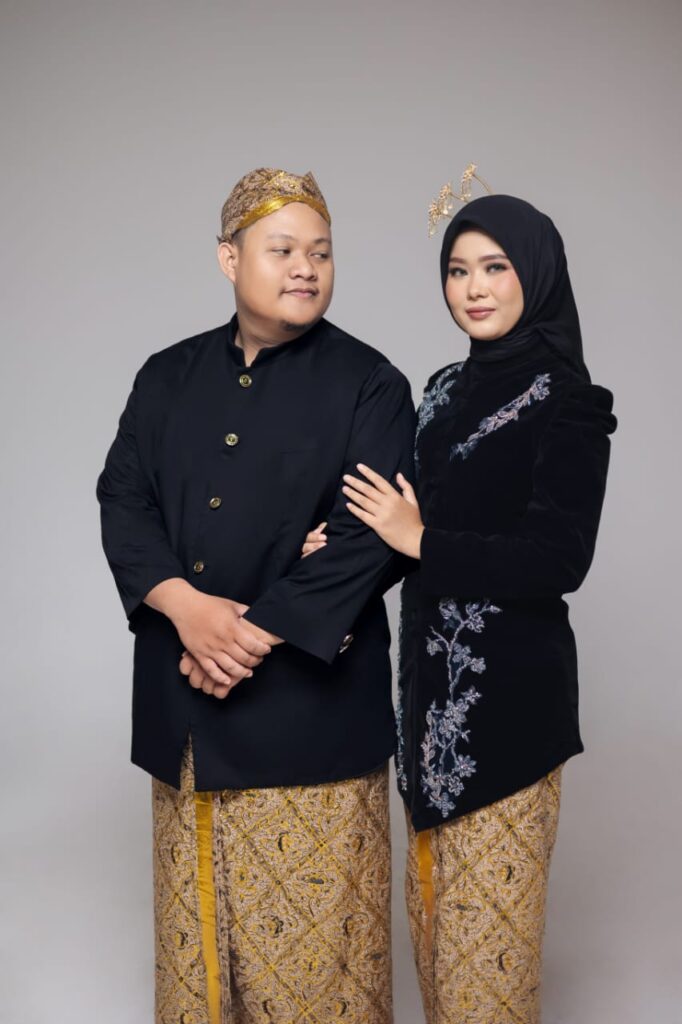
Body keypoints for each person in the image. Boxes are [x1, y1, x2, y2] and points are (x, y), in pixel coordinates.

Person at [96, 167, 415, 1024]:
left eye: (322, 252)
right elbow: (123, 500)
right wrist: (187, 608)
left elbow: (367, 541)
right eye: (283, 250)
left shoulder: (371, 383)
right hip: (186, 724)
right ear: (229, 260)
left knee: (316, 984)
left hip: (312, 728)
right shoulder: (165, 376)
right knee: (198, 973)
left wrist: (246, 636)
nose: (306, 267)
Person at [303, 188, 616, 1023]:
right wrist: (337, 551)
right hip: (426, 724)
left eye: (495, 267)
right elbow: (400, 525)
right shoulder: (440, 391)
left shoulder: (568, 400)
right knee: (440, 960)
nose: (473, 288)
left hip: (510, 723)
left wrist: (418, 539)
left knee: (487, 980)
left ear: (535, 275)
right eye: (457, 270)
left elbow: (558, 559)